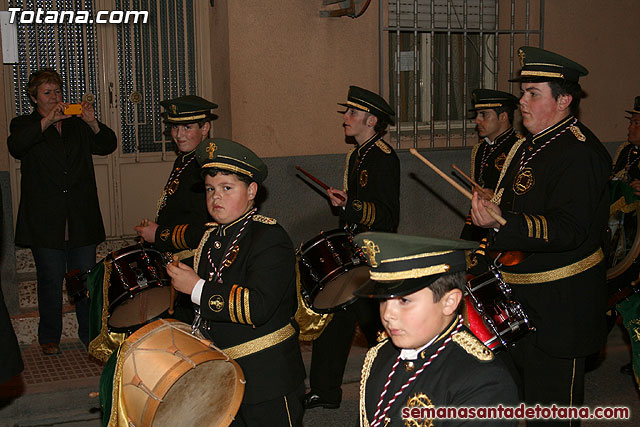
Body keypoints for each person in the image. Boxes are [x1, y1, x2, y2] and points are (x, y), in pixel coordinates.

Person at [470, 46, 611, 424]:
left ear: (564, 100)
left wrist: (503, 224)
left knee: (552, 413)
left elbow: (569, 228)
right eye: (523, 92)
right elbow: (509, 206)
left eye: (534, 93)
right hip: (519, 299)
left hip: (561, 306)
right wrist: (490, 215)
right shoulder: (527, 146)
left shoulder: (581, 153)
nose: (522, 101)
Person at [166, 138, 306, 426]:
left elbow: (258, 306)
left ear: (252, 191)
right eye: (210, 189)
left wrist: (196, 288)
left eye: (227, 188)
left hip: (268, 378)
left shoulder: (269, 238)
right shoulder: (210, 238)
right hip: (224, 378)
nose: (216, 197)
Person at [354, 232, 518, 427]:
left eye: (404, 300)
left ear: (449, 302)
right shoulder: (380, 356)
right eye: (383, 300)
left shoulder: (483, 381)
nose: (388, 314)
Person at [7, 68, 117, 355]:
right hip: (45, 220)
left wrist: (93, 123)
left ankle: (88, 332)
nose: (55, 97)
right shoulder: (23, 124)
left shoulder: (76, 124)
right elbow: (16, 147)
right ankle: (49, 336)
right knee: (50, 280)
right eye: (47, 93)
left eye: (57, 91)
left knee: (83, 282)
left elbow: (108, 144)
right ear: (34, 98)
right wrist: (46, 122)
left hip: (80, 216)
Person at [303, 85, 400, 410]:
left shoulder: (384, 158)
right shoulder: (357, 155)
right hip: (353, 252)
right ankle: (325, 390)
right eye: (347, 112)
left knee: (378, 324)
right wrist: (344, 205)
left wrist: (352, 206)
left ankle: (401, 383)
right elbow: (357, 207)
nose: (345, 118)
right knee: (336, 315)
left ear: (372, 120)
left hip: (374, 254)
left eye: (353, 113)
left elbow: (386, 215)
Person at [133, 95, 216, 323]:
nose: (179, 135)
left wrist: (159, 235)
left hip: (195, 265)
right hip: (177, 259)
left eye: (187, 127)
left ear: (205, 128)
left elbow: (204, 229)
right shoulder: (186, 160)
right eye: (174, 128)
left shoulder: (205, 167)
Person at [460, 89, 520, 242]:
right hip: (478, 224)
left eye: (484, 114)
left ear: (503, 116)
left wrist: (495, 198)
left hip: (504, 227)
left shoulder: (520, 147)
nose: (477, 120)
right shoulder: (479, 149)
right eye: (477, 114)